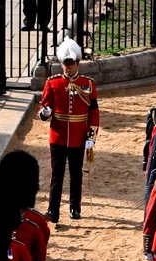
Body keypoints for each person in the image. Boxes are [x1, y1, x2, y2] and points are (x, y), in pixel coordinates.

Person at [38, 39, 100, 222]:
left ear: (77, 64)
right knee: (56, 175)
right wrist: (45, 113)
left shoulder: (87, 84)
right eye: (65, 64)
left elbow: (93, 112)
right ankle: (53, 210)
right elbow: (44, 108)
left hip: (78, 137)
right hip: (58, 136)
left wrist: (91, 136)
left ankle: (75, 207)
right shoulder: (53, 83)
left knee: (76, 173)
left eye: (71, 64)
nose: (68, 68)